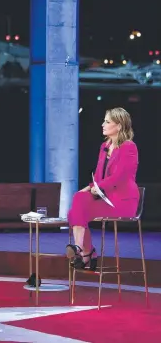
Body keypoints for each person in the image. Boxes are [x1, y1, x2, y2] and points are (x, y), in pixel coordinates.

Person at [66, 107, 139, 270]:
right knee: (78, 199)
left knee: (74, 212)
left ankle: (86, 254)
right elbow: (99, 176)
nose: (103, 124)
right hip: (106, 199)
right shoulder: (104, 146)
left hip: (122, 202)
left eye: (107, 121)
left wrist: (95, 187)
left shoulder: (129, 147)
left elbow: (120, 177)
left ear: (119, 126)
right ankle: (81, 248)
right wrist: (87, 188)